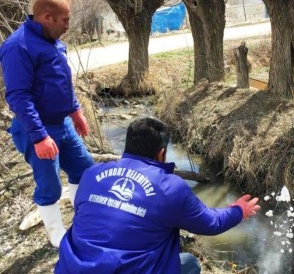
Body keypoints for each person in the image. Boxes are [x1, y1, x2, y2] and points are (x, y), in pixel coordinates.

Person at [55, 117, 260, 274]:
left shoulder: (92, 173)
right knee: (189, 264)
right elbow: (211, 223)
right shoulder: (170, 188)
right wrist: (239, 211)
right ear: (161, 153)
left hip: (71, 268)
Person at [0, 0, 94, 247]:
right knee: (50, 186)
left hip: (62, 122)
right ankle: (56, 235)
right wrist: (40, 137)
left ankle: (83, 219)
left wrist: (75, 112)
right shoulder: (18, 46)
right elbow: (19, 97)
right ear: (47, 17)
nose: (67, 25)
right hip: (37, 129)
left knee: (84, 168)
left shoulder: (51, 39)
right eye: (64, 20)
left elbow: (61, 81)